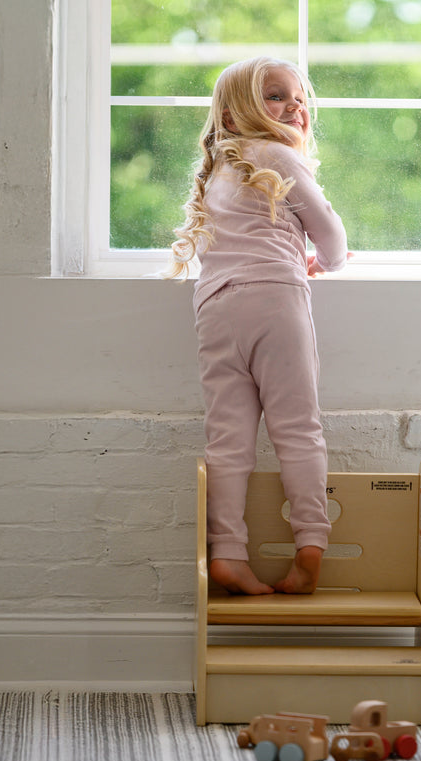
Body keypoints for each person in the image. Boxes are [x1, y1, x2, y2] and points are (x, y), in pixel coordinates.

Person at [169, 56, 349, 595]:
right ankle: (311, 543)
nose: (294, 106)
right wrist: (331, 262)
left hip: (215, 309)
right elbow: (329, 233)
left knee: (227, 440)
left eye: (298, 97)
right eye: (276, 96)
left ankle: (226, 553)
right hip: (274, 299)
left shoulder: (217, 173)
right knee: (297, 428)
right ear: (232, 114)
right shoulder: (275, 155)